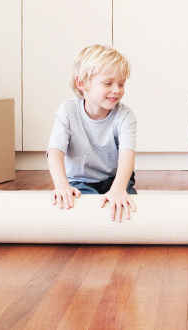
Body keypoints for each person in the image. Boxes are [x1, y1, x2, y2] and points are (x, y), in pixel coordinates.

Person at [47, 45, 137, 221]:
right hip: (80, 180)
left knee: (129, 208)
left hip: (114, 178)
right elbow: (55, 151)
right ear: (81, 83)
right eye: (108, 83)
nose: (117, 90)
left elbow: (127, 154)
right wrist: (61, 185)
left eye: (121, 84)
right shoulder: (67, 110)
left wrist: (118, 189)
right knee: (82, 211)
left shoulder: (125, 115)